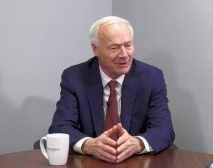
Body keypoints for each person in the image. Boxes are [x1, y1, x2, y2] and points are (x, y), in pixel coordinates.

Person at [49, 16, 175, 163]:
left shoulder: (151, 77)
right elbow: (60, 127)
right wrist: (88, 145)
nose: (124, 55)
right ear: (95, 49)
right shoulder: (74, 77)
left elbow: (164, 130)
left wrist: (137, 143)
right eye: (114, 48)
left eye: (128, 45)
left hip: (134, 162)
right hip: (90, 162)